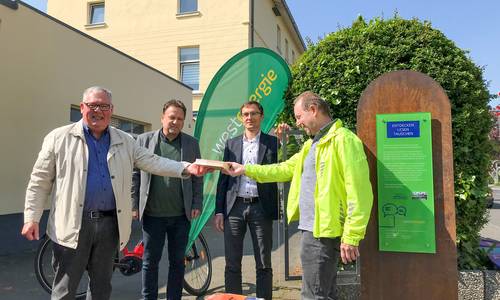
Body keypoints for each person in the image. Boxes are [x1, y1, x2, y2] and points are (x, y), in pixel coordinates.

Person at [21, 86, 208, 300]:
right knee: (65, 288)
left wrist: (185, 168)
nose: (98, 110)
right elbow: (39, 180)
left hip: (110, 226)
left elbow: (152, 161)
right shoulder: (58, 138)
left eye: (104, 106)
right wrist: (31, 217)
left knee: (102, 288)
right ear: (82, 107)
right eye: (93, 105)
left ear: (112, 110)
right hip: (73, 224)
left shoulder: (126, 140)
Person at [224, 91, 373, 300]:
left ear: (313, 110)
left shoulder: (344, 140)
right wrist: (245, 170)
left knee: (312, 295)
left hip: (321, 233)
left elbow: (359, 192)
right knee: (324, 293)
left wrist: (352, 235)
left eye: (298, 116)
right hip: (313, 230)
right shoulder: (311, 144)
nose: (298, 122)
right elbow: (282, 169)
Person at [131, 99, 203, 300]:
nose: (175, 122)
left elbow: (198, 176)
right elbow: (134, 174)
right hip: (152, 215)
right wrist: (133, 204)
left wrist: (197, 203)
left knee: (177, 262)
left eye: (180, 119)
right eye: (172, 117)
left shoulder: (191, 143)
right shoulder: (143, 140)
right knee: (149, 262)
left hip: (181, 216)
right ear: (162, 117)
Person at [215, 101, 279, 300]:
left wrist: (286, 138)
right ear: (241, 118)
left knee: (263, 262)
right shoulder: (231, 143)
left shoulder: (273, 142)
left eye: (253, 113)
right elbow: (223, 179)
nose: (249, 117)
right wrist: (219, 211)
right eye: (245, 114)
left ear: (261, 116)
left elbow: (285, 166)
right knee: (232, 263)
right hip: (234, 207)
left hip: (261, 207)